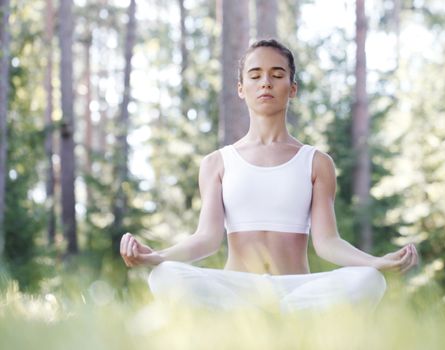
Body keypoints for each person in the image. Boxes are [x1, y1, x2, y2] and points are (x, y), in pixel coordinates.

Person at [120, 39, 418, 312]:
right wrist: (157, 257)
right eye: (255, 75)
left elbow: (327, 242)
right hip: (235, 288)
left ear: (292, 88)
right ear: (241, 88)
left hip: (296, 289)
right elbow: (207, 238)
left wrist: (375, 262)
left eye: (277, 75)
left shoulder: (316, 162)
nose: (266, 82)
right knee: (166, 275)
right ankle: (264, 319)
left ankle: (270, 319)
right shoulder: (216, 162)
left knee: (369, 280)